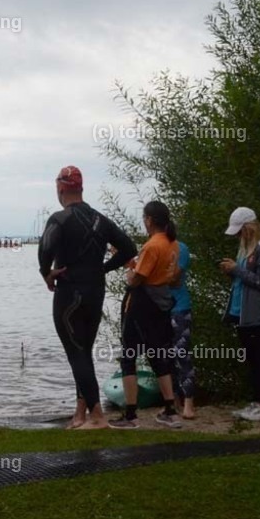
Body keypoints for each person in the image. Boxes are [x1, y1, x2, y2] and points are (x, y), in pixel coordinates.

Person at [39, 165, 137, 430]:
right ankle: (80, 413)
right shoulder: (101, 220)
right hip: (95, 292)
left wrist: (46, 273)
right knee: (83, 353)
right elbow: (129, 248)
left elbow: (45, 249)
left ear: (60, 189)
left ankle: (97, 416)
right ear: (80, 189)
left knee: (76, 354)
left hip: (69, 293)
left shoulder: (59, 219)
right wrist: (102, 268)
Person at [109, 201, 183, 429]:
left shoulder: (152, 245)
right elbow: (163, 274)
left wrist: (129, 271)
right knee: (158, 355)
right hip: (161, 305)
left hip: (140, 306)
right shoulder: (173, 244)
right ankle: (170, 410)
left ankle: (131, 415)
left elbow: (137, 279)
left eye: (144, 218)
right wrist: (129, 262)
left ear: (149, 220)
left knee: (128, 357)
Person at [219, 207, 260, 423]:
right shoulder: (246, 248)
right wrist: (231, 272)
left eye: (239, 231)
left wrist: (236, 269)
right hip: (242, 313)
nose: (237, 235)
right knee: (252, 359)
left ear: (248, 228)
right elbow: (244, 279)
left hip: (257, 314)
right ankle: (257, 402)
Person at [171, 240, 197, 419]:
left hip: (179, 308)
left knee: (182, 354)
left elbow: (175, 278)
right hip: (159, 308)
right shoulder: (152, 246)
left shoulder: (181, 248)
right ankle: (173, 401)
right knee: (163, 357)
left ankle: (189, 403)